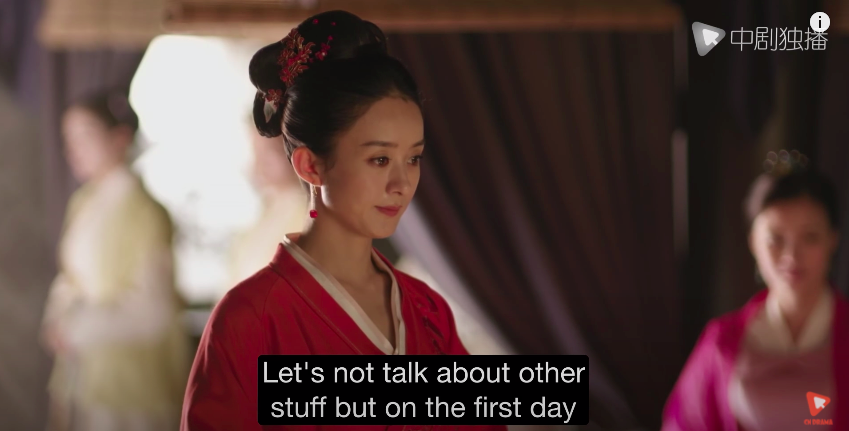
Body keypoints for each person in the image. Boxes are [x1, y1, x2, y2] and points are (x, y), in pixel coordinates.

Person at [181, 10, 507, 431]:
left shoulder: (426, 310)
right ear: (311, 165)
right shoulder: (249, 320)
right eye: (379, 159)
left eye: (413, 158)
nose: (402, 183)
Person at [661, 150, 849, 430]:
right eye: (776, 239)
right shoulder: (721, 341)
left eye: (810, 237)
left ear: (833, 239)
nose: (792, 256)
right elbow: (684, 422)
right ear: (753, 243)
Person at [41, 90, 191, 431]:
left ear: (119, 137)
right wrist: (57, 318)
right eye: (69, 139)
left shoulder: (146, 213)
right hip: (82, 371)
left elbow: (152, 309)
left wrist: (77, 329)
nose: (73, 149)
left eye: (85, 136)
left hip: (132, 381)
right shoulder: (83, 202)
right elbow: (70, 277)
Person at [225, 127, 307, 295]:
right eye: (255, 152)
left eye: (269, 152)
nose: (258, 163)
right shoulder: (263, 216)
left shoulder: (309, 215)